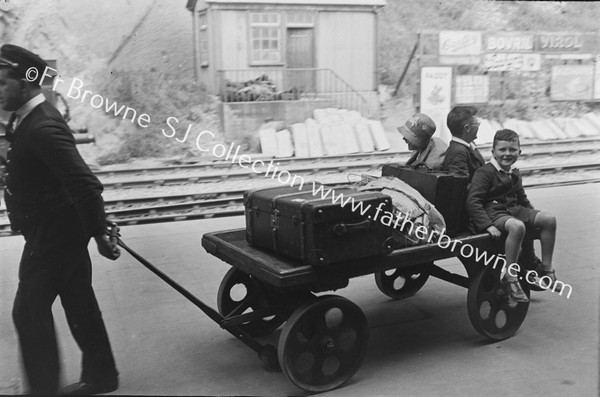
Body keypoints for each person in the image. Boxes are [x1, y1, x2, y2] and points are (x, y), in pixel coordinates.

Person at [0, 44, 120, 395]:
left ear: (26, 83)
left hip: (54, 234)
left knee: (27, 311)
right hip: (58, 228)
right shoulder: (29, 116)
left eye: (3, 83)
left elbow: (84, 183)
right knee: (79, 299)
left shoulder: (43, 125)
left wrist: (99, 233)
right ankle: (102, 376)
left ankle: (42, 390)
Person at [466, 129, 560, 302]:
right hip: (493, 212)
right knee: (517, 227)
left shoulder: (514, 172)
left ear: (519, 152)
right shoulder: (485, 172)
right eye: (502, 150)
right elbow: (473, 201)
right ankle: (510, 277)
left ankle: (546, 269)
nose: (507, 154)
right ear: (493, 152)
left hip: (513, 210)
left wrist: (534, 215)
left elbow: (522, 200)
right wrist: (487, 225)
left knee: (549, 219)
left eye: (512, 150)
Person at [442, 105, 485, 180]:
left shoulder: (469, 145)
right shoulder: (458, 152)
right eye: (477, 123)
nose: (478, 127)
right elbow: (460, 186)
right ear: (467, 128)